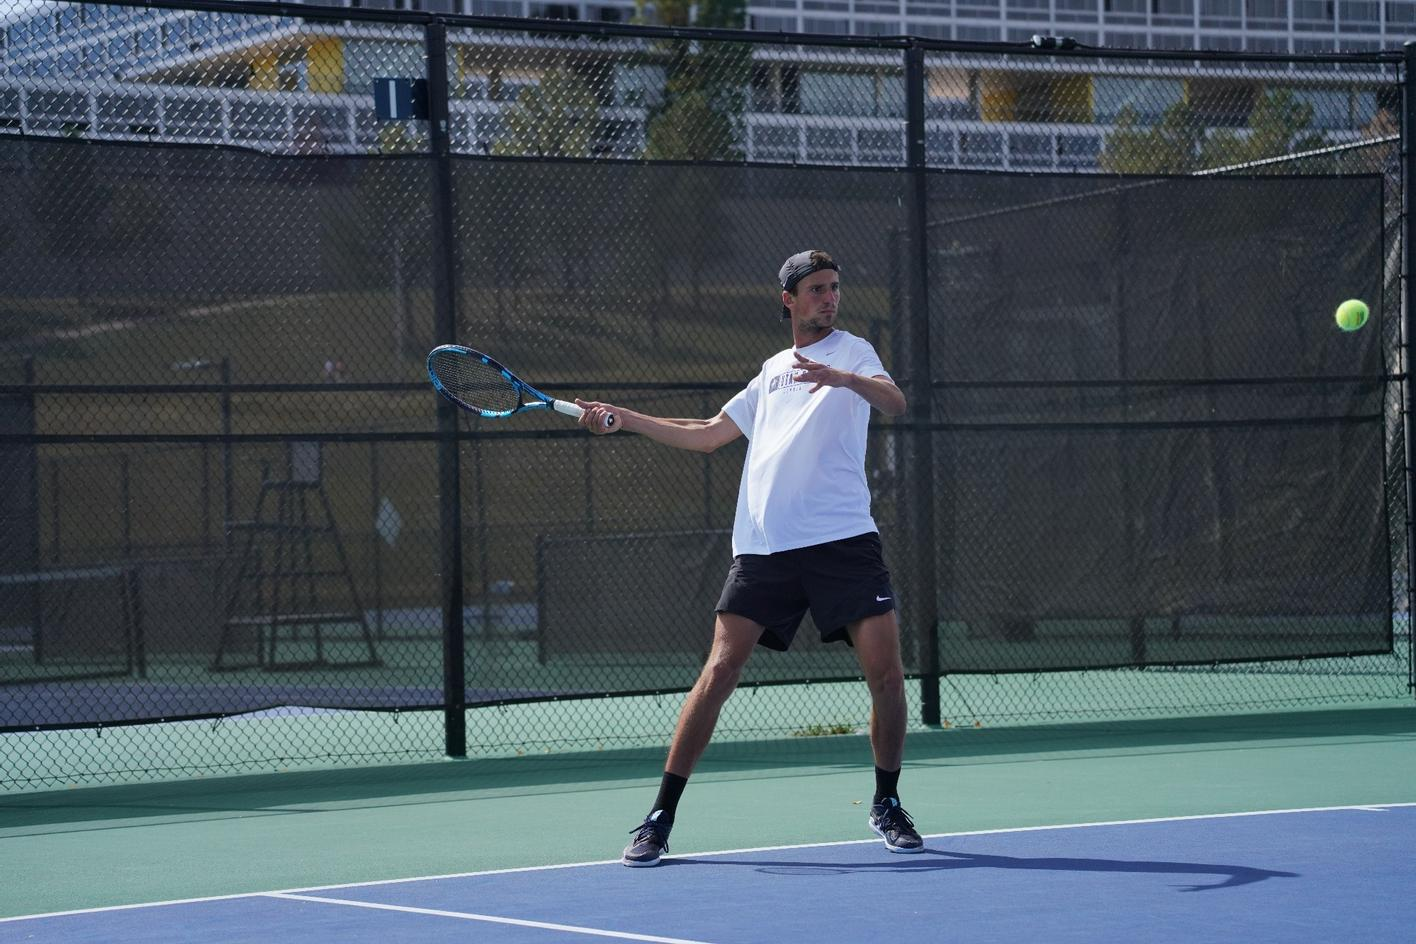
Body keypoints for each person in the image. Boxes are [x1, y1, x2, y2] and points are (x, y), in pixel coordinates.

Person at [574, 249, 924, 867]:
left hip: (844, 541)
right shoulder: (769, 372)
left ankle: (887, 801)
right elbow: (708, 433)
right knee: (719, 671)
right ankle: (659, 817)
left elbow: (894, 403)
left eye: (835, 288)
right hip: (765, 547)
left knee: (888, 675)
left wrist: (846, 380)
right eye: (816, 289)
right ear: (788, 300)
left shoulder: (855, 353)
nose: (829, 298)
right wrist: (624, 419)